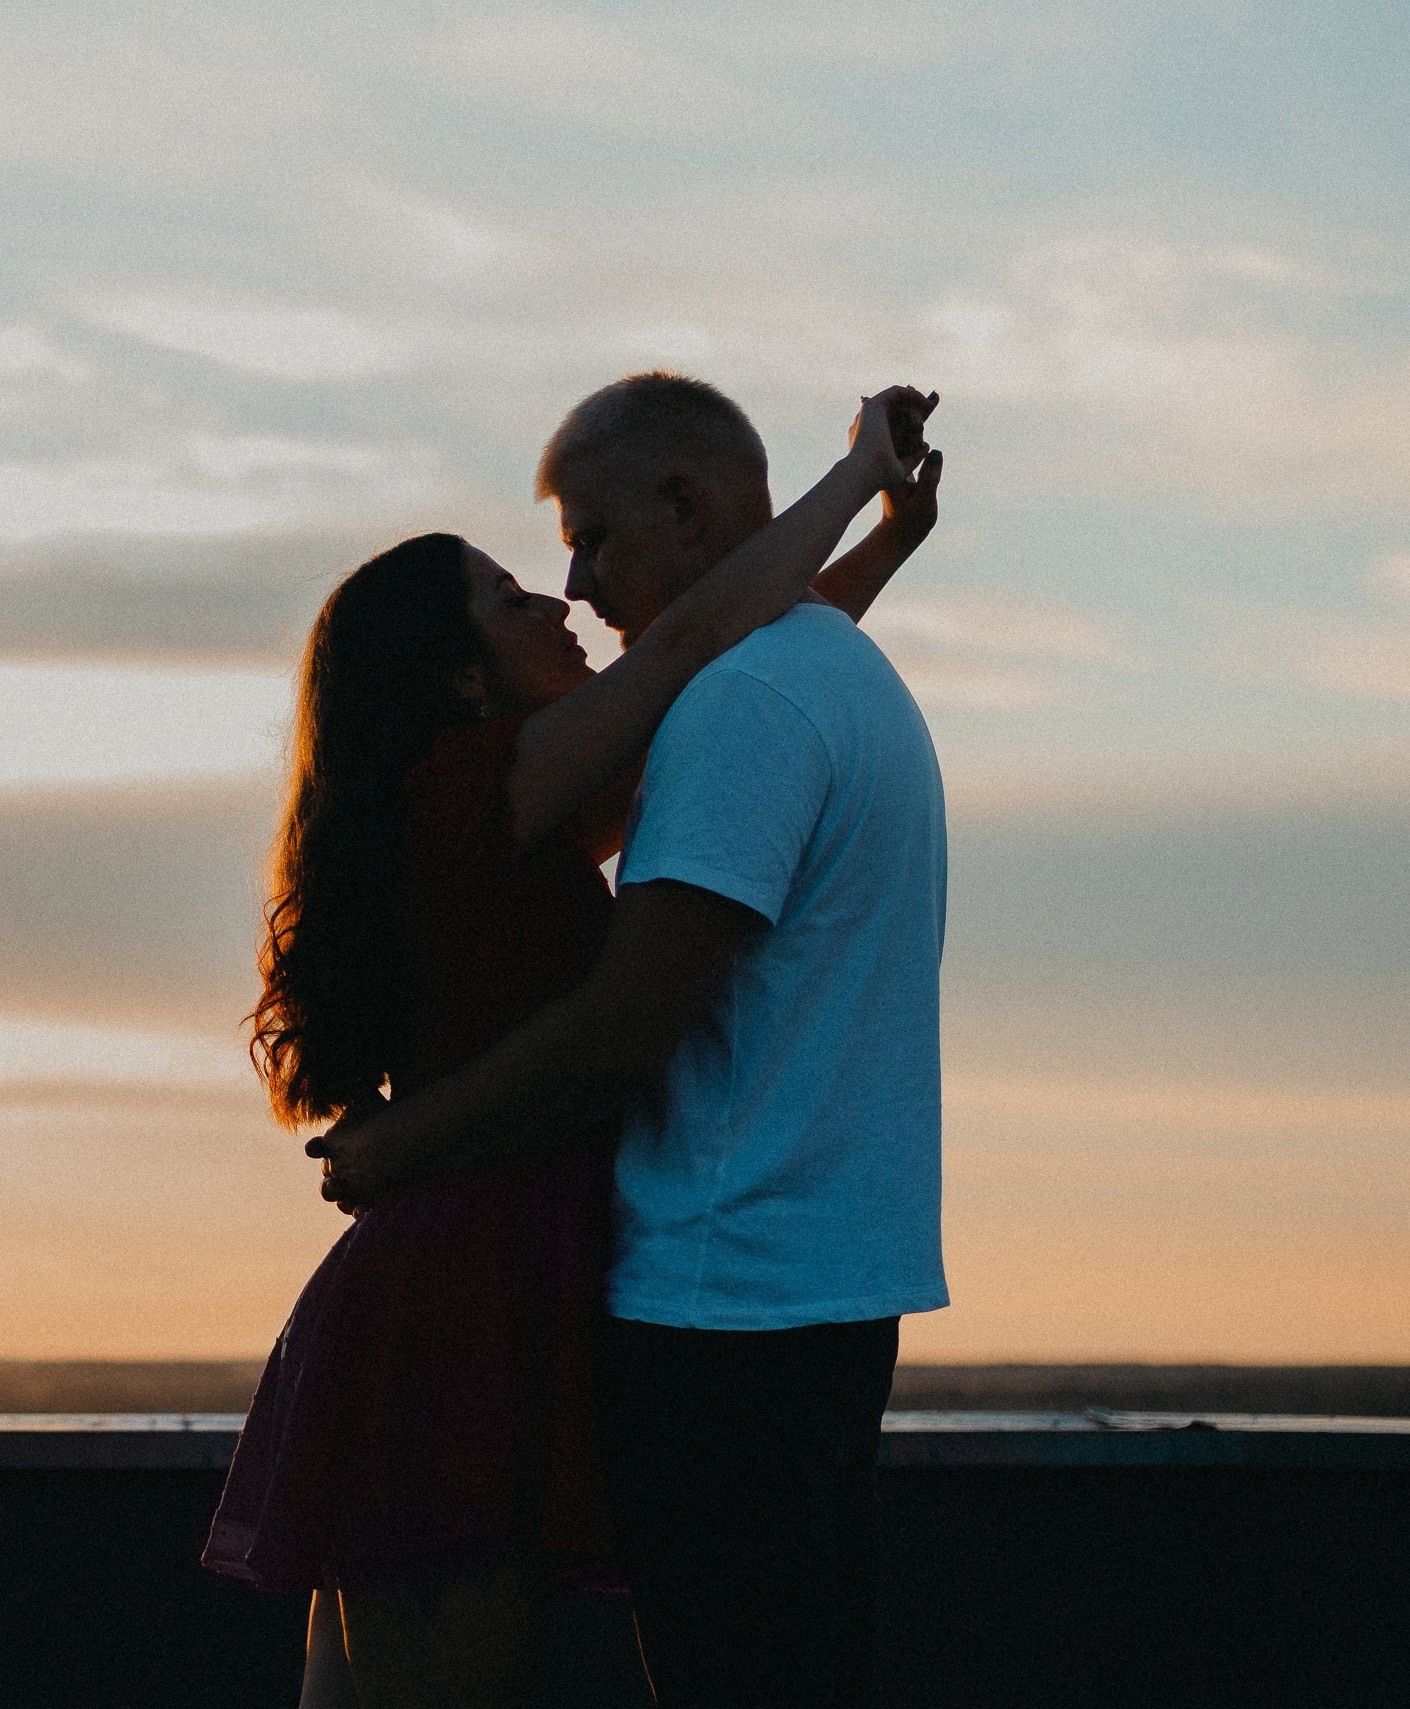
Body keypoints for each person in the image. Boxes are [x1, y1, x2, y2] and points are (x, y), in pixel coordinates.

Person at [207, 380, 941, 1708]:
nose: (562, 597)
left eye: (582, 548)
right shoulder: (478, 788)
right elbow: (707, 644)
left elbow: (746, 659)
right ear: (460, 678)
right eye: (512, 598)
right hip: (464, 1280)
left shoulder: (527, 804)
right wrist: (856, 478)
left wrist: (885, 539)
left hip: (508, 1258)